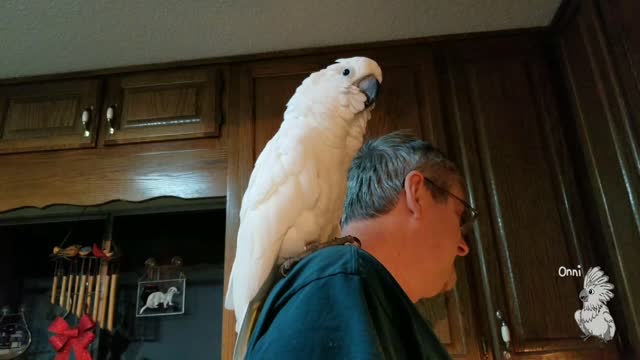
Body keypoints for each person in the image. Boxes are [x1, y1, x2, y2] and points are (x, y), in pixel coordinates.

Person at [244, 130, 476, 359]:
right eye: (460, 215)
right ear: (417, 194)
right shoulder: (340, 278)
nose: (463, 247)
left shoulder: (353, 291)